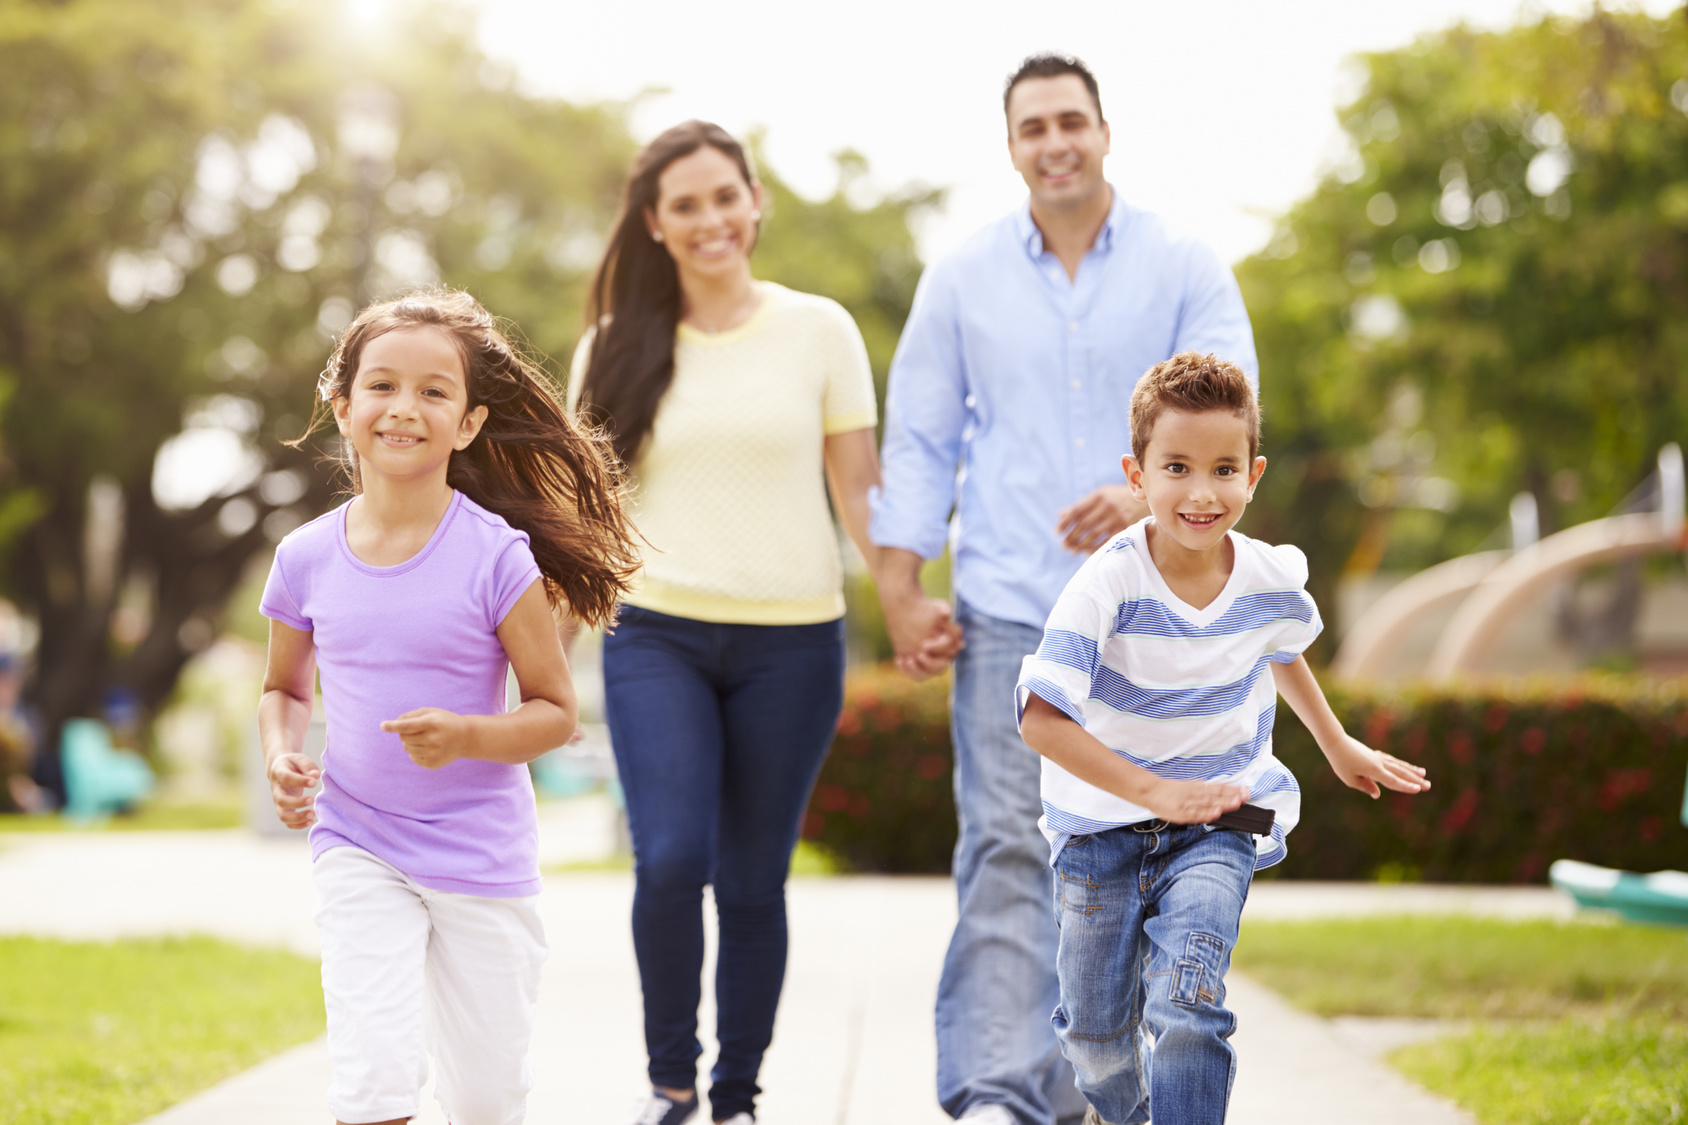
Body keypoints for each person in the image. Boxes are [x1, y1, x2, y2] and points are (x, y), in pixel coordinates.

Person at [870, 54, 1258, 1125]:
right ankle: (1000, 1094)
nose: (1053, 142)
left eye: (1070, 122)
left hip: (1150, 617)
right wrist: (901, 587)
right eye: (1031, 127)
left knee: (1129, 853)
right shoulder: (959, 278)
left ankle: (1095, 1088)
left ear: (1102, 132)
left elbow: (1234, 412)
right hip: (1008, 602)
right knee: (1002, 842)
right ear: (1010, 148)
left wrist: (1140, 501)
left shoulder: (1182, 264)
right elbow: (917, 436)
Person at [568, 120, 904, 1125]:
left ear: (754, 202)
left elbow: (861, 494)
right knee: (671, 858)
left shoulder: (819, 331)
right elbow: (585, 516)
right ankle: (670, 1083)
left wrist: (908, 601)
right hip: (656, 633)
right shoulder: (612, 349)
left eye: (725, 196)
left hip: (791, 643)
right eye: (685, 204)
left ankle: (735, 1097)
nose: (710, 218)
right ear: (655, 225)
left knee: (754, 881)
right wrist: (534, 643)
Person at [1016, 352, 1431, 1125]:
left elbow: (1280, 645)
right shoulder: (1106, 584)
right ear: (1135, 475)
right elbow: (1040, 717)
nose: (1202, 493)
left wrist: (1337, 743)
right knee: (1098, 1042)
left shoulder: (1269, 576)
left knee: (1189, 1007)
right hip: (1099, 833)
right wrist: (1153, 791)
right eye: (1176, 466)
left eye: (1223, 469)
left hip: (1219, 824)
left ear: (1254, 473)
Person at [258, 289, 639, 1125]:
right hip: (356, 839)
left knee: (488, 1097)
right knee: (373, 1071)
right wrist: (283, 753)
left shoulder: (496, 558)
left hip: (482, 858)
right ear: (342, 403)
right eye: (383, 385)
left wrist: (469, 734)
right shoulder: (304, 558)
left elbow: (553, 710)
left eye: (435, 391)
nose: (404, 408)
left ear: (468, 422)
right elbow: (284, 687)